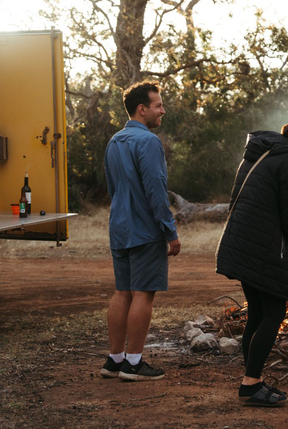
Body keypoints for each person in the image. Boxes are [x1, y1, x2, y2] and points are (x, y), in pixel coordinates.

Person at [216, 117, 288, 406]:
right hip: (264, 247)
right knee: (275, 312)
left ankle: (250, 378)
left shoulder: (265, 152)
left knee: (258, 311)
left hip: (242, 241)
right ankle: (251, 385)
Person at [100, 80, 181, 381]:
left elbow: (112, 188)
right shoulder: (148, 142)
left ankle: (114, 360)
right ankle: (133, 364)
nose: (163, 110)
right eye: (158, 105)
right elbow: (156, 190)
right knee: (143, 295)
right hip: (145, 230)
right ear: (142, 109)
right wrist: (169, 230)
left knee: (122, 291)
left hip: (119, 228)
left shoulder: (114, 141)